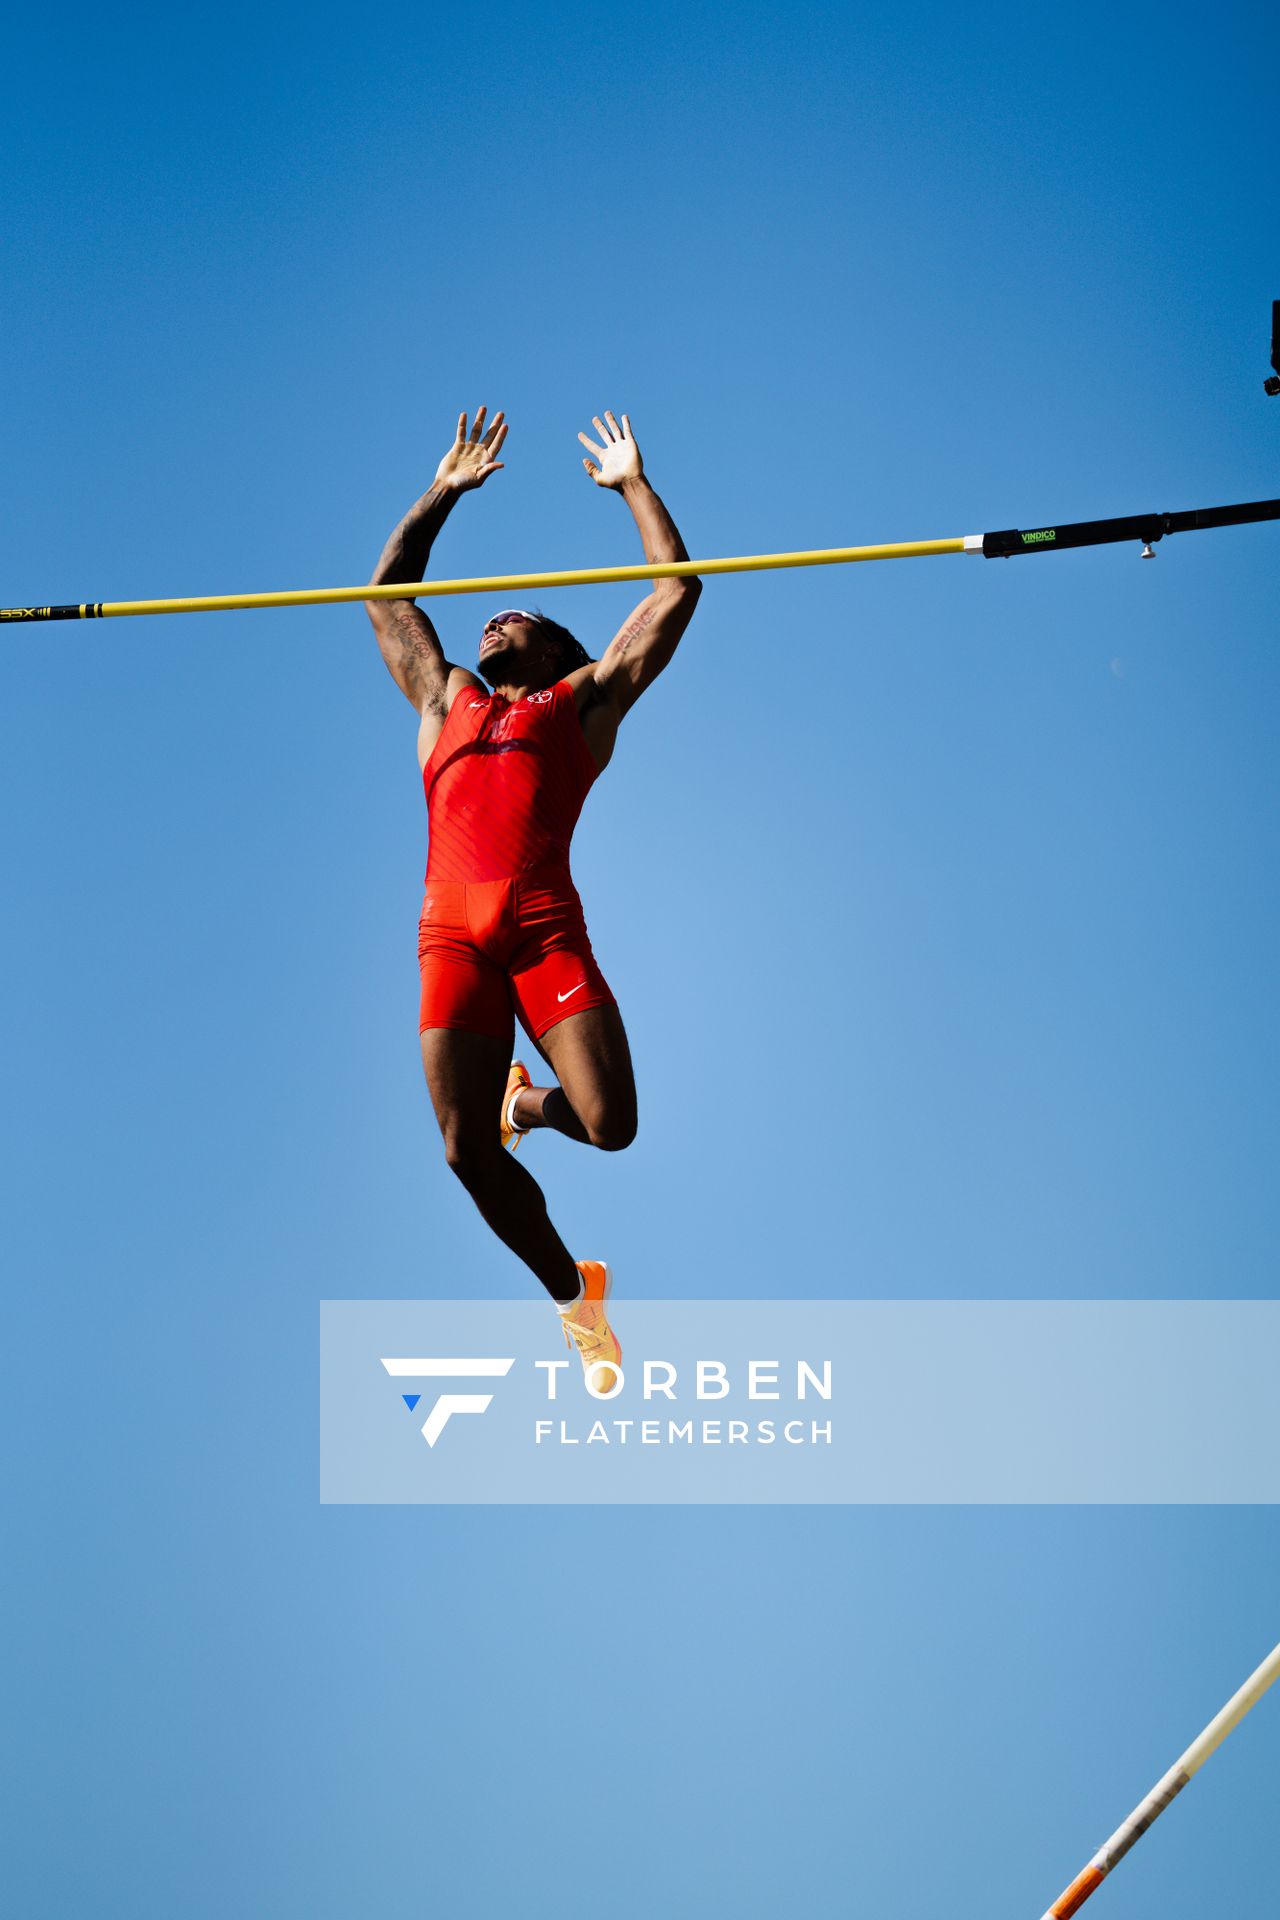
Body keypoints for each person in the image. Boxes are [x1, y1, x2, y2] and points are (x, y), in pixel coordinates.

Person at [364, 406, 702, 1391]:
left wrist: (633, 483)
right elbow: (385, 598)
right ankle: (572, 1295)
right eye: (490, 618)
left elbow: (674, 591)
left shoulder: (581, 705)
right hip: (451, 943)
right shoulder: (445, 699)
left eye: (519, 618)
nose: (492, 619)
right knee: (465, 1152)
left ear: (560, 651)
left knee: (609, 1126)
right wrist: (441, 493)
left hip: (541, 932)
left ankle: (531, 1101)